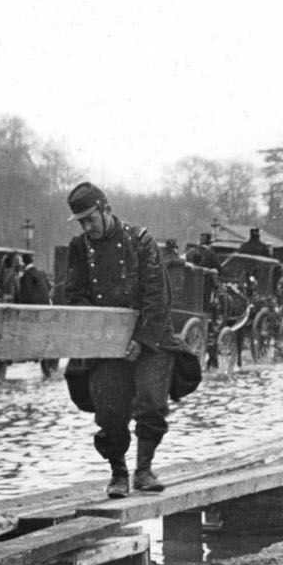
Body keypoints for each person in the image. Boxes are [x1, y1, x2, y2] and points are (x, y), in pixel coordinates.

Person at [63, 181, 183, 497]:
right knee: (109, 407)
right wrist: (104, 332)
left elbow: (158, 298)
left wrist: (141, 341)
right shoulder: (79, 249)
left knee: (152, 402)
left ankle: (144, 469)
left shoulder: (140, 242)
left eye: (91, 219)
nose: (88, 227)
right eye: (81, 222)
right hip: (108, 343)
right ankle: (118, 472)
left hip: (149, 337)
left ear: (107, 210)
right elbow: (73, 296)